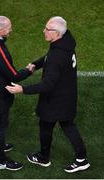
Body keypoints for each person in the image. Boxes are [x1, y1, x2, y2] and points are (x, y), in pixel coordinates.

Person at [5, 16, 90, 173]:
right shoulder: (65, 42)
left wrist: (22, 89)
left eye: (47, 29)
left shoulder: (57, 56)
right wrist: (36, 64)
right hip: (67, 95)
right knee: (67, 125)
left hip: (54, 99)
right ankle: (81, 159)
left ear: (56, 33)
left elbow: (47, 85)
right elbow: (49, 57)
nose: (43, 31)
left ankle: (44, 158)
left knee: (46, 125)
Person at [0, 16, 34, 171]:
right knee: (0, 126)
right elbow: (14, 75)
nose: (11, 30)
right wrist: (28, 71)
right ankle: (1, 161)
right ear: (1, 30)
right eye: (9, 27)